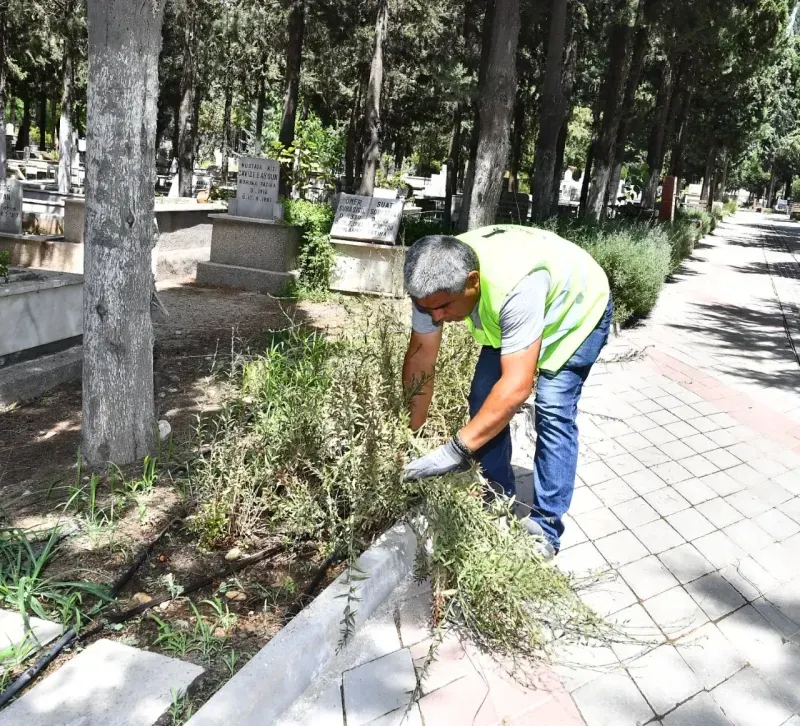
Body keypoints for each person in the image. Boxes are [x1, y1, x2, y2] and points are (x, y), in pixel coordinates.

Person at [401, 224, 612, 558]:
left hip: (575, 312)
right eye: (427, 309)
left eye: (443, 307)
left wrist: (455, 450)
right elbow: (421, 361)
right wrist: (410, 439)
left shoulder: (514, 287)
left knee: (553, 409)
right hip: (518, 316)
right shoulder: (430, 284)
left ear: (472, 281)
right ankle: (498, 494)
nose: (436, 317)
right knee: (484, 396)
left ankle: (545, 528)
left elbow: (517, 387)